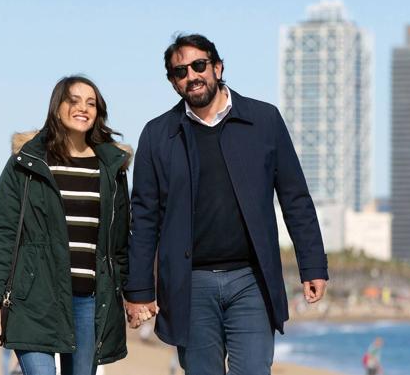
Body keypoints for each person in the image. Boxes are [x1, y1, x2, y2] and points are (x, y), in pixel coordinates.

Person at [123, 34, 329, 375]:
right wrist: (140, 289)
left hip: (252, 280)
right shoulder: (157, 135)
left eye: (199, 65)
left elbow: (295, 198)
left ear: (217, 67)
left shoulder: (264, 120)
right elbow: (143, 217)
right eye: (180, 71)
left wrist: (313, 265)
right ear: (173, 82)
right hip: (190, 285)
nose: (192, 76)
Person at [0, 75, 131, 375]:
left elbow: (120, 242)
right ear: (57, 107)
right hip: (34, 298)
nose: (83, 108)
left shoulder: (111, 169)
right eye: (73, 101)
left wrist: (132, 294)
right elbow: (3, 234)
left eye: (91, 103)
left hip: (90, 301)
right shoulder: (27, 163)